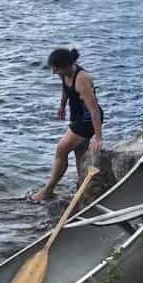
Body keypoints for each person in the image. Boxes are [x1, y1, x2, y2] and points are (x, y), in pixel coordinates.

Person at [30, 47, 104, 202]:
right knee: (80, 156)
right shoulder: (65, 74)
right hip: (77, 118)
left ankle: (48, 190)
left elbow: (94, 110)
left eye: (56, 70)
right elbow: (65, 88)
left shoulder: (82, 79)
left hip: (87, 121)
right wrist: (62, 105)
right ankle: (84, 190)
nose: (54, 73)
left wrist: (98, 138)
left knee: (61, 149)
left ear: (65, 66)